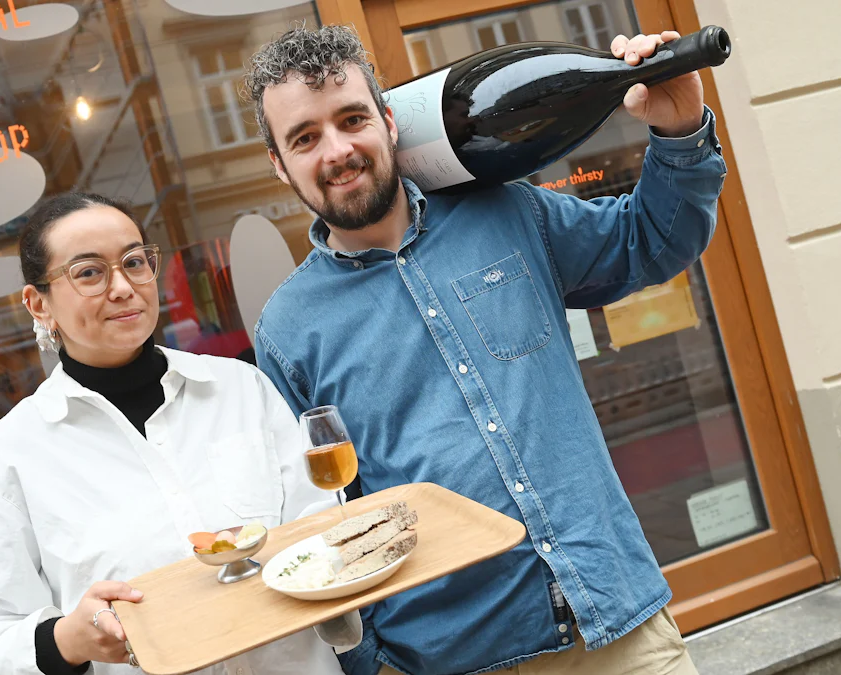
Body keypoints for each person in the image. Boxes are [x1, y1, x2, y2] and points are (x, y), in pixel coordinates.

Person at [245, 24, 726, 675]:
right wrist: (371, 660)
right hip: (453, 658)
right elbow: (318, 517)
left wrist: (680, 129)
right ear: (279, 164)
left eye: (352, 119)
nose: (337, 150)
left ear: (389, 121)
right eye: (304, 138)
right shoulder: (287, 329)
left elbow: (648, 242)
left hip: (617, 629)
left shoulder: (508, 213)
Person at [0, 192, 347, 675]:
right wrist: (65, 641)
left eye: (133, 262)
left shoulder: (240, 388)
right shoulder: (10, 456)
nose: (123, 287)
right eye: (89, 272)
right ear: (38, 303)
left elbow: (321, 525)